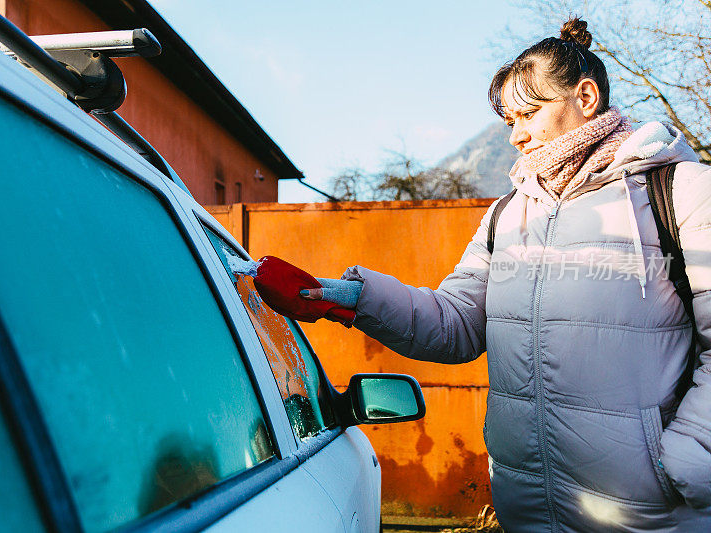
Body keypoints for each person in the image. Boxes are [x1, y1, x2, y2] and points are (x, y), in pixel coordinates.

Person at [281, 17, 711, 532]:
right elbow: (453, 324)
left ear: (587, 97)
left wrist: (687, 462)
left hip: (651, 515)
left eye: (528, 113)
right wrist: (352, 298)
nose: (515, 135)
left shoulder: (680, 192)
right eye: (509, 120)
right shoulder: (506, 214)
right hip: (526, 510)